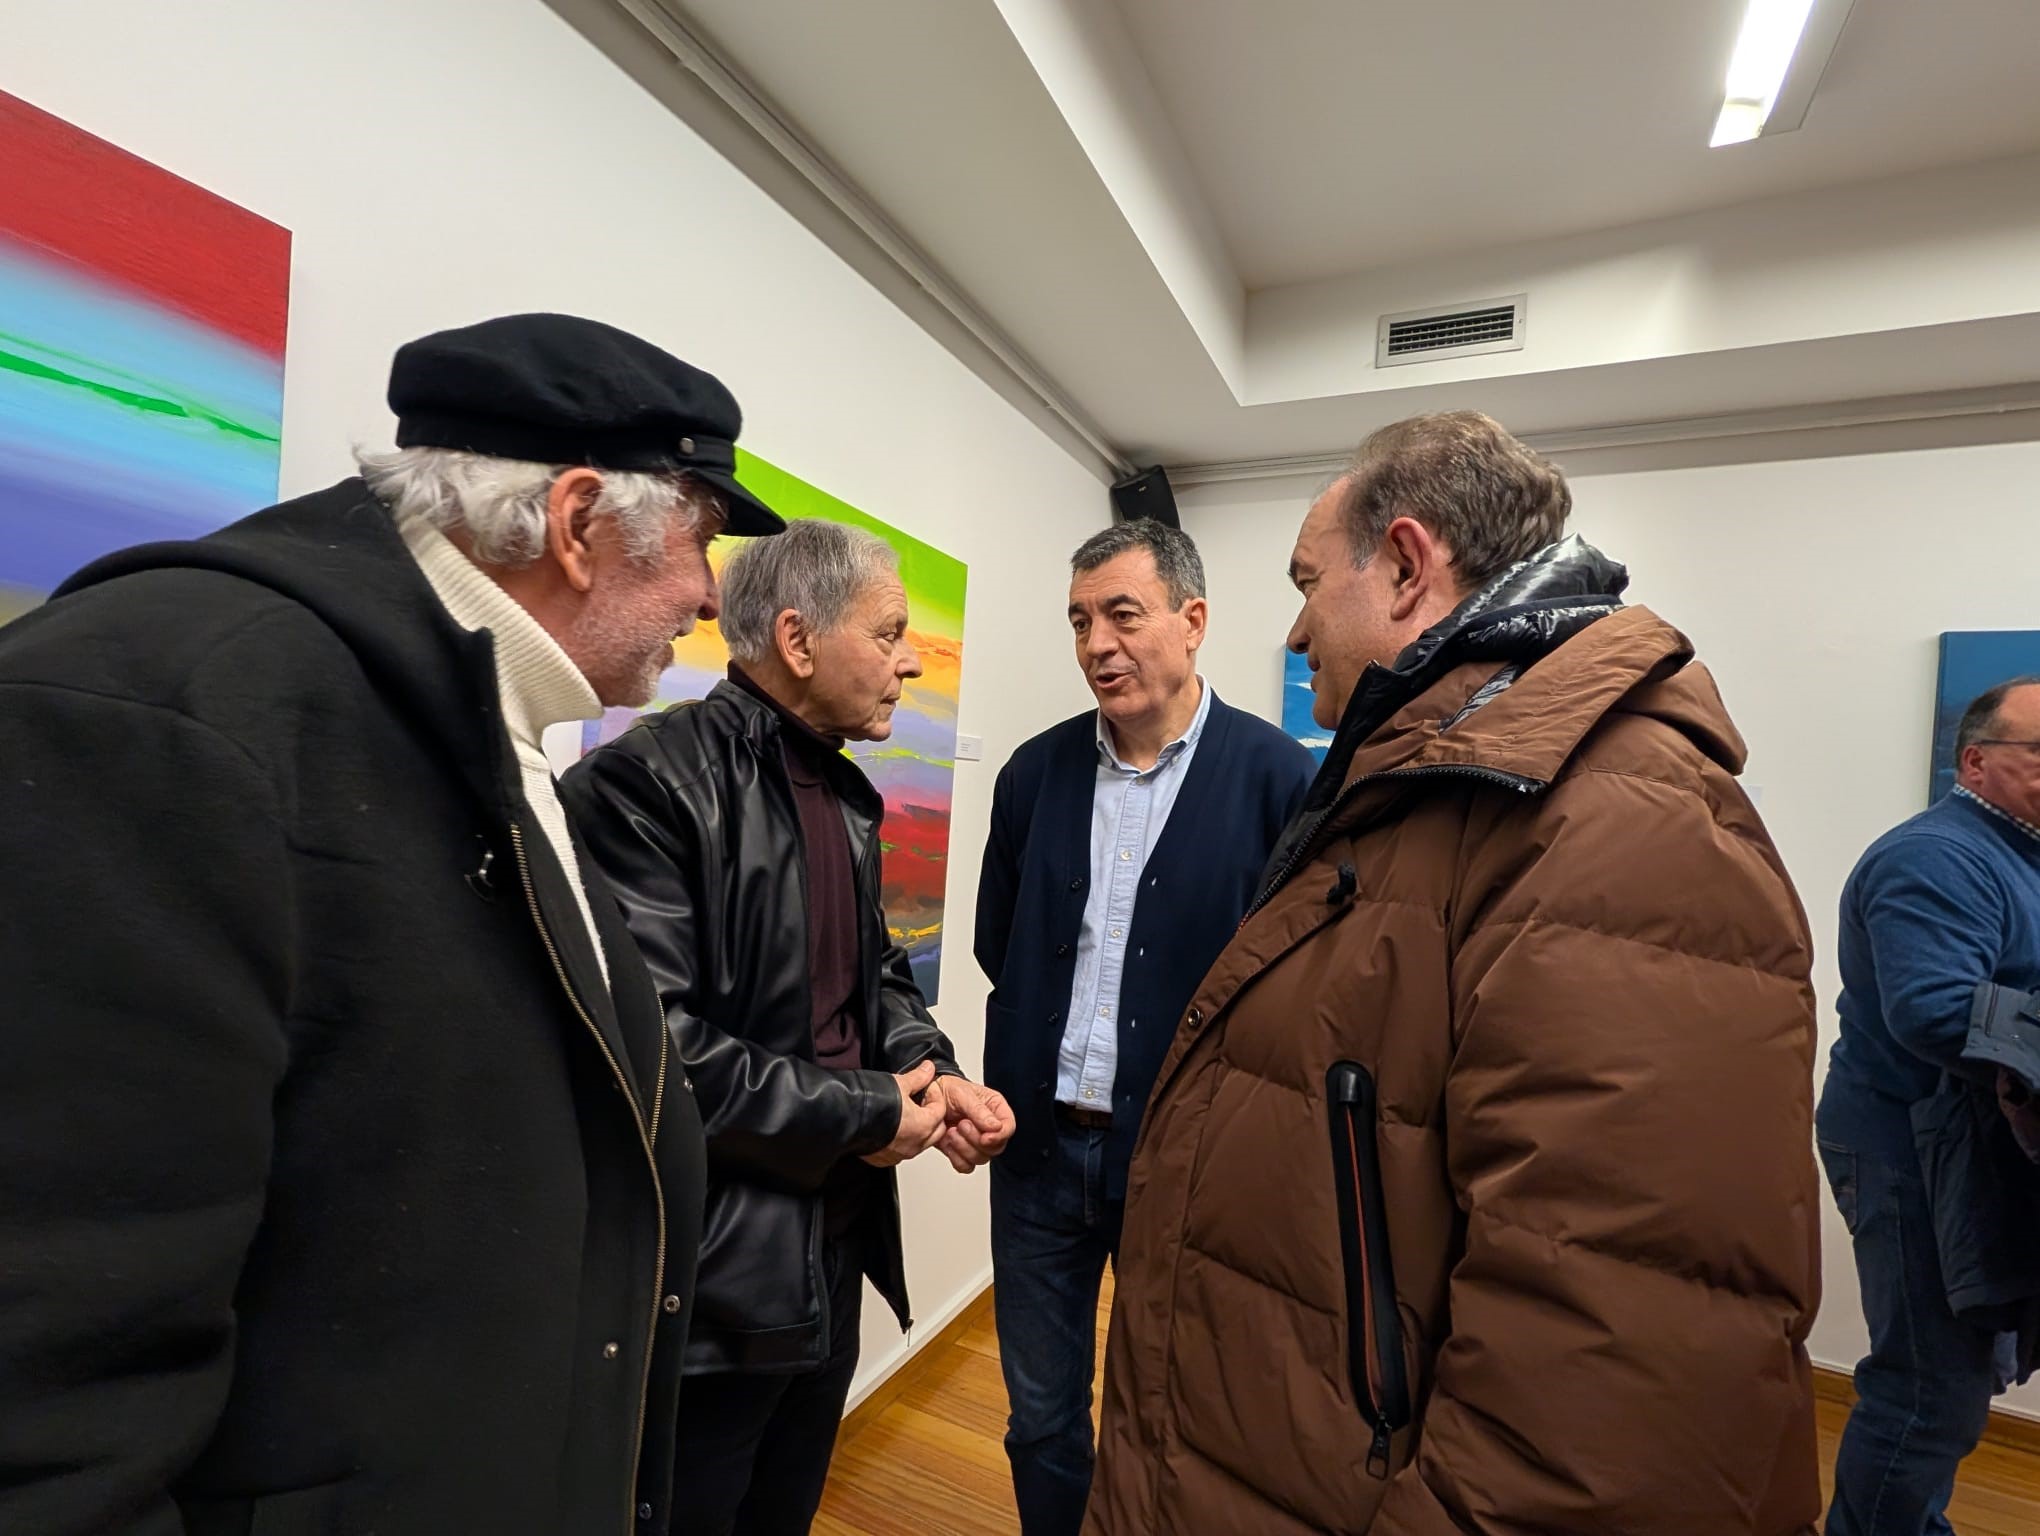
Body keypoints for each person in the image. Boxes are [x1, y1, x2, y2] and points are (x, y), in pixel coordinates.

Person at [0, 312, 785, 1535]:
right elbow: (52, 1376)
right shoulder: (161, 712)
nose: (705, 592)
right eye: (701, 538)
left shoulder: (479, 715)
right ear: (581, 523)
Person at [1085, 411, 1823, 1535]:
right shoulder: (1434, 789)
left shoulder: (1619, 823)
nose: (1295, 631)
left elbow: (1608, 1390)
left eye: (1307, 583)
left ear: (1406, 567)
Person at [562, 517, 1016, 1536]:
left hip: (831, 1251)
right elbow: (654, 1052)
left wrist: (933, 1069)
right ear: (799, 641)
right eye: (890, 633)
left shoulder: (844, 792)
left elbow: (873, 974)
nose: (912, 661)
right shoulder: (645, 786)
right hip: (715, 1285)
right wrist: (866, 1112)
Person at [974, 519, 1314, 1534]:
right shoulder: (1033, 774)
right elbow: (1003, 942)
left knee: (1168, 1410)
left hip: (1182, 1164)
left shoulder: (1278, 780)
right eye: (1080, 622)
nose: (1097, 645)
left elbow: (1291, 987)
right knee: (1040, 1417)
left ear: (1192, 620)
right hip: (1036, 1155)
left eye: (1122, 615)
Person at [1819, 678, 2040, 1536]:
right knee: (1928, 1392)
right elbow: (1939, 1012)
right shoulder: (1936, 858)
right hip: (1908, 1145)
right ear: (1976, 761)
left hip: (1973, 1142)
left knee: (1959, 1376)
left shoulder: (2017, 852)